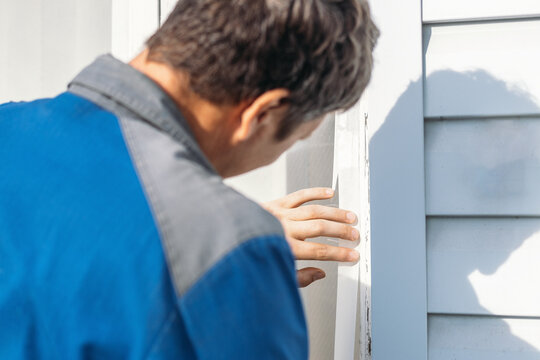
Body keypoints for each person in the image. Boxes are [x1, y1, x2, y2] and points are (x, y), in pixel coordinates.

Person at [0, 0, 378, 358]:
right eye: (298, 137)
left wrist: (196, 242)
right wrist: (229, 261)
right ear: (262, 113)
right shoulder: (232, 253)